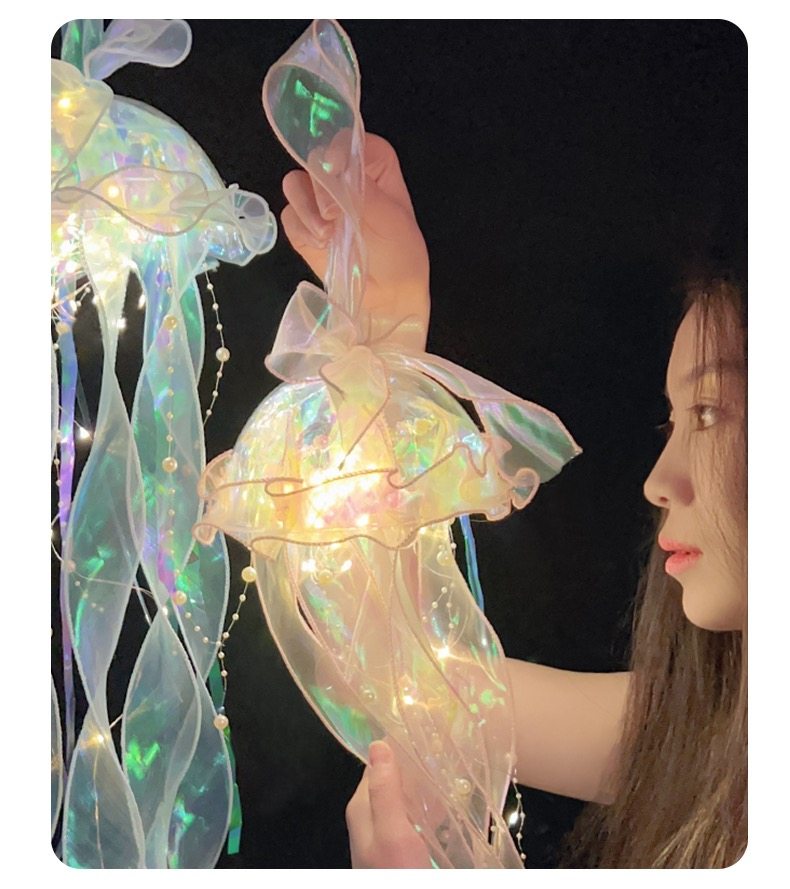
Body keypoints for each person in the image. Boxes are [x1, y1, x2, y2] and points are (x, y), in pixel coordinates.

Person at [280, 135, 747, 869]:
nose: (659, 481)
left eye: (711, 413)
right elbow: (401, 678)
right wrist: (388, 326)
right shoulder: (698, 734)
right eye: (673, 421)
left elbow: (406, 679)